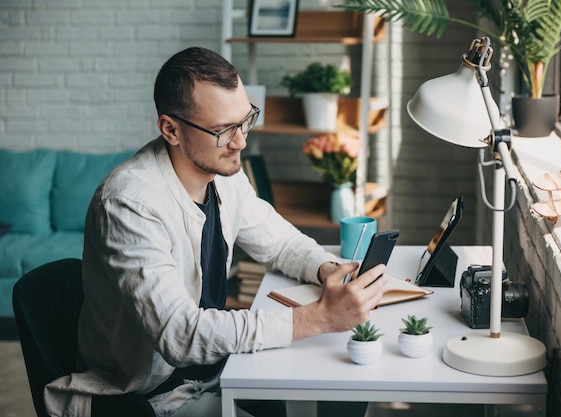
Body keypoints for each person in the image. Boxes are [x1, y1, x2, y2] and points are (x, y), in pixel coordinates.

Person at [43, 46, 387, 417]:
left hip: (213, 369)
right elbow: (180, 334)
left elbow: (280, 242)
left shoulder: (224, 172)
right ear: (170, 129)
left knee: (336, 383)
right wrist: (317, 318)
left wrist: (326, 268)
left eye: (245, 120)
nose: (241, 141)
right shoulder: (129, 205)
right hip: (147, 396)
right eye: (223, 130)